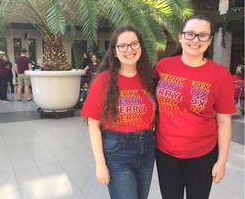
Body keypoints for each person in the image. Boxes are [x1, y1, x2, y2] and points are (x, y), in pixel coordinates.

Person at [155, 15, 236, 199]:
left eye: (202, 35)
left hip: (203, 154)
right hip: (165, 153)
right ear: (181, 36)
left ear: (210, 40)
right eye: (190, 34)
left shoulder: (220, 75)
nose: (195, 40)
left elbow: (224, 121)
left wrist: (221, 161)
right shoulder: (163, 66)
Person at [81, 25, 158, 199]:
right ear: (114, 52)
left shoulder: (149, 77)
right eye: (122, 46)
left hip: (147, 147)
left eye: (134, 44)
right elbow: (93, 125)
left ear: (141, 47)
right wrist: (100, 164)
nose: (129, 50)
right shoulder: (104, 80)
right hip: (117, 151)